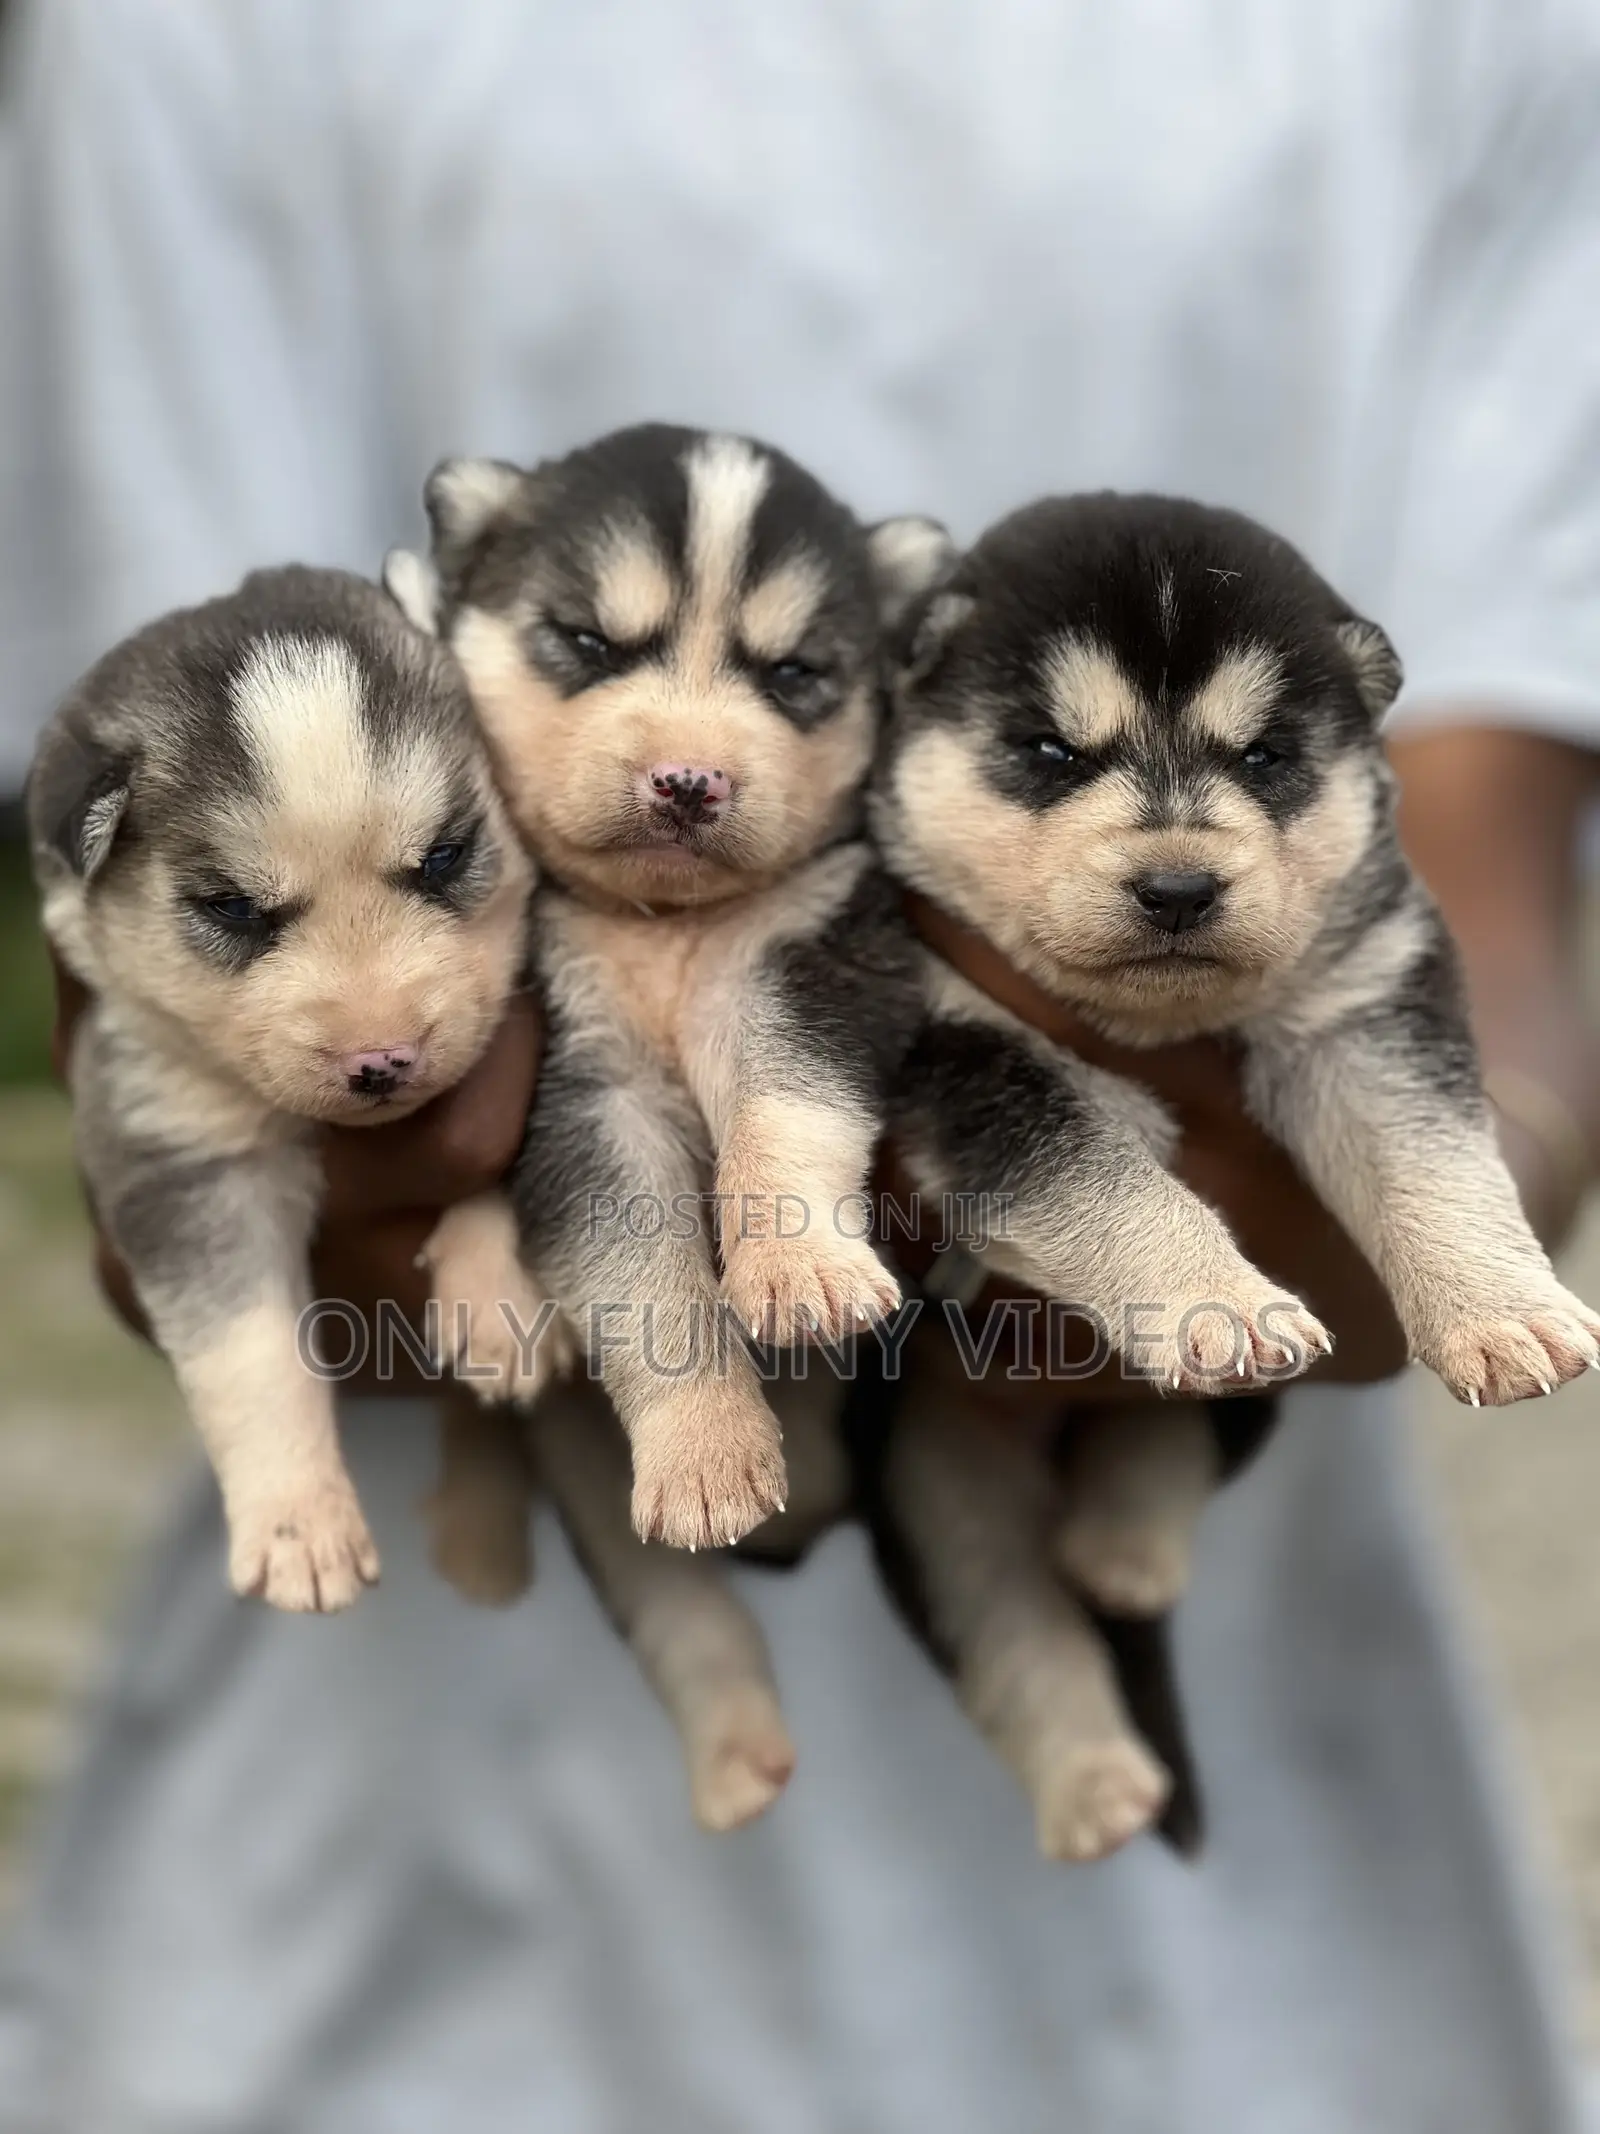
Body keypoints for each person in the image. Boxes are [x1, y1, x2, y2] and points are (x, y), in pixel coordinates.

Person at [2, 2, 1598, 2128]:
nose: (689, 756)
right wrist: (424, 1185)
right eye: (593, 648)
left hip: (1269, 1980)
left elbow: (1475, 936)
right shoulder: (214, 34)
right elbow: (170, 932)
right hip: (395, 1953)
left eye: (783, 679)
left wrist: (1446, 1212)